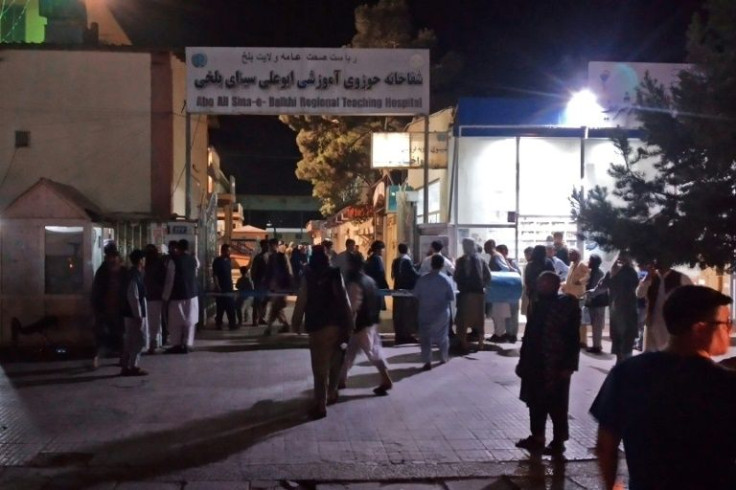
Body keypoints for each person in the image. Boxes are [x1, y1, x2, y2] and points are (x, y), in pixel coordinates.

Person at [591, 285, 736, 490]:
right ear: (700, 328)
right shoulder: (724, 384)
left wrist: (611, 485)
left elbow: (605, 446)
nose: (729, 330)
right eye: (726, 323)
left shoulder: (627, 372)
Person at [515, 271, 581, 455]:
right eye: (540, 283)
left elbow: (572, 338)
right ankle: (537, 437)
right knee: (535, 402)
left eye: (546, 283)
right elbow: (530, 335)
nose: (542, 286)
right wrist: (523, 360)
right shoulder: (537, 304)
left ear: (555, 285)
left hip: (556, 363)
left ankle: (558, 441)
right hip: (535, 362)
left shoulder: (566, 306)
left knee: (557, 404)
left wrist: (569, 365)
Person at [291, 245, 353, 419]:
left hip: (318, 326)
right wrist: (349, 322)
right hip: (337, 325)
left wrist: (296, 323)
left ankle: (320, 404)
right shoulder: (335, 273)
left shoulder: (308, 276)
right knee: (335, 361)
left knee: (319, 368)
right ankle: (332, 392)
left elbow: (301, 300)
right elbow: (344, 299)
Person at [338, 253, 393, 395]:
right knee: (351, 352)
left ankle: (386, 380)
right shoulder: (369, 280)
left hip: (360, 324)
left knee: (371, 352)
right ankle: (341, 380)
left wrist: (347, 325)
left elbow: (352, 307)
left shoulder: (355, 283)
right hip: (370, 322)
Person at [637, 260, 693, 351]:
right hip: (653, 323)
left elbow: (692, 298)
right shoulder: (650, 278)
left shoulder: (681, 278)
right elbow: (639, 294)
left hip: (671, 325)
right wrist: (647, 279)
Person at [413, 254, 455, 370]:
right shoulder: (446, 280)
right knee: (443, 336)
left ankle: (427, 361)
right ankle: (443, 357)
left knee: (425, 338)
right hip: (441, 313)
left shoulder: (423, 279)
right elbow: (451, 297)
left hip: (425, 312)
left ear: (431, 265)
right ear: (442, 265)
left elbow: (416, 295)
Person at [90, 243, 126, 369]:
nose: (112, 259)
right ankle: (97, 357)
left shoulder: (119, 271)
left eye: (114, 257)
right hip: (105, 308)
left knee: (119, 334)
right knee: (102, 334)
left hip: (117, 308)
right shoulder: (104, 271)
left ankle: (121, 357)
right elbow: (96, 291)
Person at [599, 253, 639, 362]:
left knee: (618, 338)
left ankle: (619, 362)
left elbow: (602, 286)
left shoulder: (613, 271)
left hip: (616, 309)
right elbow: (636, 286)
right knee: (627, 340)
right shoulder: (631, 272)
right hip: (628, 309)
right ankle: (625, 365)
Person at [454, 238, 492, 353]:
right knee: (479, 319)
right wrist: (483, 285)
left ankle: (464, 344)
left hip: (465, 294)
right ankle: (480, 343)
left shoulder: (461, 260)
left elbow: (456, 276)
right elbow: (488, 276)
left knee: (463, 319)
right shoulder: (481, 259)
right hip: (479, 294)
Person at [162, 239, 199, 354]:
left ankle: (177, 344)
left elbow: (170, 280)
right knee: (190, 321)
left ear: (178, 248)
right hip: (192, 295)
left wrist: (165, 296)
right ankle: (188, 344)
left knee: (175, 322)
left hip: (177, 295)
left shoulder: (174, 261)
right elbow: (196, 270)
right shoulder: (194, 260)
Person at [120, 249, 148, 376]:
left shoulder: (131, 274)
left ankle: (126, 365)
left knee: (130, 340)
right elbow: (134, 296)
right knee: (138, 340)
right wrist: (138, 315)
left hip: (129, 313)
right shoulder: (135, 276)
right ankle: (133, 366)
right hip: (134, 314)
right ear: (141, 260)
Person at [391, 243, 419, 344]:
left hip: (397, 290)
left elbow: (394, 275)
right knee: (407, 314)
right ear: (407, 249)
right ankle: (406, 335)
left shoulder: (396, 261)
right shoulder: (407, 261)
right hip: (407, 292)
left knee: (398, 314)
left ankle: (399, 335)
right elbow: (413, 275)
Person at [264, 238, 293, 335]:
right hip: (274, 286)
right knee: (277, 307)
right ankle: (285, 325)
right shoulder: (271, 257)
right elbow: (268, 273)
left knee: (275, 307)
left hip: (281, 287)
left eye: (270, 245)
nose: (269, 247)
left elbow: (289, 272)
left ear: (275, 245)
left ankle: (269, 328)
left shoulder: (282, 257)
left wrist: (289, 286)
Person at [143, 244, 166, 354]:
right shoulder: (159, 263)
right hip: (156, 295)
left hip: (149, 295)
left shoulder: (147, 264)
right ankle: (156, 342)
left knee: (150, 320)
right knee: (156, 320)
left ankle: (152, 342)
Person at [581, 254, 607, 352]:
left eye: (590, 261)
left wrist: (590, 296)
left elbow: (600, 289)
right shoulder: (593, 272)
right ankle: (596, 345)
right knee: (595, 324)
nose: (588, 263)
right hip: (593, 302)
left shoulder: (599, 273)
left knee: (597, 325)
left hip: (598, 302)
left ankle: (597, 346)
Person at [497, 244, 521, 343]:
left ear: (505, 252)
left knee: (514, 314)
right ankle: (508, 332)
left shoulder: (512, 261)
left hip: (513, 291)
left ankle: (513, 334)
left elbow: (518, 273)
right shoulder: (499, 262)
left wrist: (509, 266)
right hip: (505, 292)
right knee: (506, 313)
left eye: (500, 252)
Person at [523, 245, 555, 316]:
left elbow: (527, 280)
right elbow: (553, 276)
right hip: (547, 293)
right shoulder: (548, 262)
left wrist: (529, 291)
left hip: (534, 293)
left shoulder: (530, 264)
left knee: (535, 313)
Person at [212, 244, 237, 330]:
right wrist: (217, 286)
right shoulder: (217, 261)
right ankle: (218, 324)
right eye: (228, 251)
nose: (229, 252)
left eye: (230, 251)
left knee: (231, 307)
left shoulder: (229, 260)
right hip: (221, 288)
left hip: (229, 287)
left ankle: (232, 324)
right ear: (223, 251)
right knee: (220, 308)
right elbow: (215, 275)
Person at [364, 240, 390, 312]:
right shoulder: (377, 259)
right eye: (382, 249)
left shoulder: (370, 258)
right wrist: (385, 286)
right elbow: (380, 274)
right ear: (378, 249)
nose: (383, 251)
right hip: (377, 287)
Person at [249, 239, 269, 326]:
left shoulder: (269, 256)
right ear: (262, 246)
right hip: (259, 283)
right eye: (266, 245)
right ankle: (255, 319)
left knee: (265, 301)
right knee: (257, 301)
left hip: (266, 283)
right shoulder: (258, 257)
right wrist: (254, 280)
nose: (267, 247)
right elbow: (253, 270)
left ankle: (261, 318)